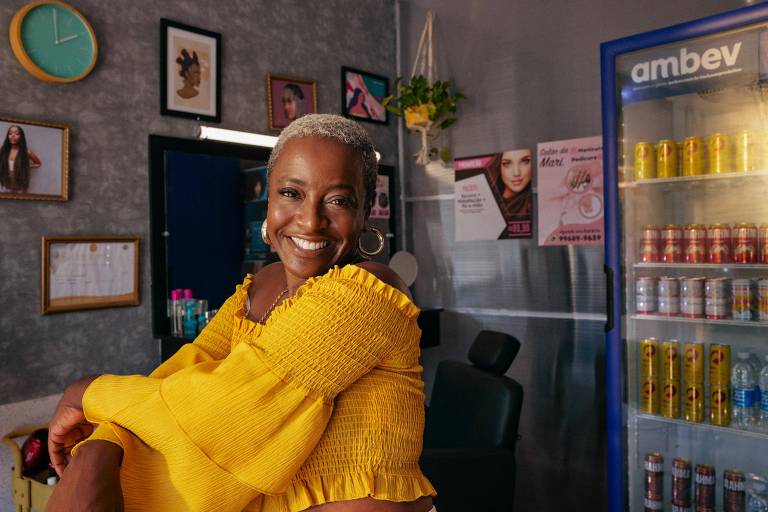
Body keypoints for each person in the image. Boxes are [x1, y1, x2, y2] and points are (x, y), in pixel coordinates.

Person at [45, 114, 436, 512]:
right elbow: (178, 383)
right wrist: (103, 442)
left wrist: (86, 391)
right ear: (268, 199)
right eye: (291, 193)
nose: (310, 220)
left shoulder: (370, 290)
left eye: (338, 200)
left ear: (367, 210)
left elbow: (221, 411)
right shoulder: (261, 286)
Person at [0, 124, 42, 194]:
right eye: (10, 133)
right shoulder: (3, 149)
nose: (13, 135)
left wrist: (26, 166)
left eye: (16, 133)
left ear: (21, 136)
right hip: (5, 186)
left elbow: (38, 163)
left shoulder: (27, 151)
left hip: (20, 187)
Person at [497, 149, 533, 220]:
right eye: (507, 164)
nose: (516, 173)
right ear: (498, 167)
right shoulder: (489, 196)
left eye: (525, 161)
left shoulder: (533, 204)